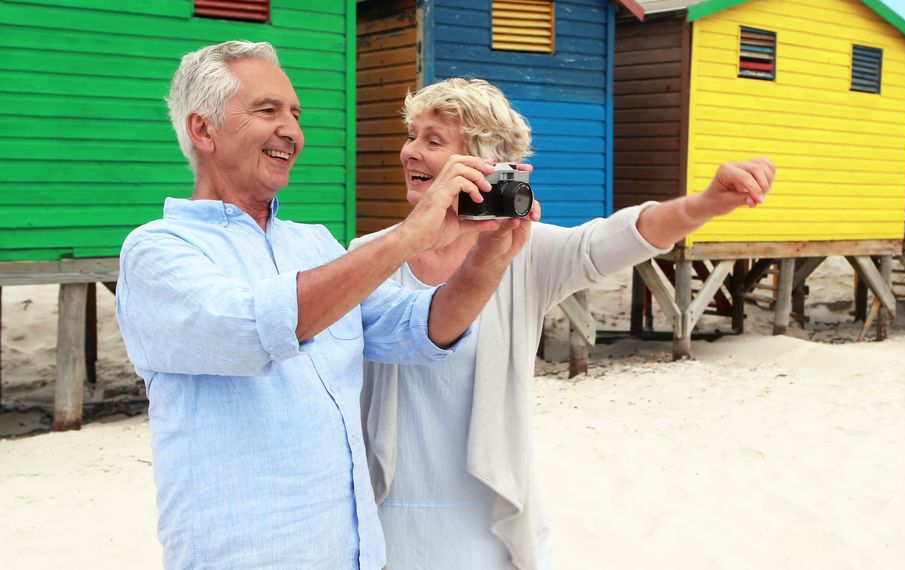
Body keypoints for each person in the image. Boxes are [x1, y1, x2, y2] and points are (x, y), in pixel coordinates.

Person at [115, 42, 534, 569]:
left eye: (295, 114)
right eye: (267, 110)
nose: (291, 130)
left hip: (354, 554)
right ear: (203, 130)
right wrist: (408, 238)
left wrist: (490, 253)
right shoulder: (158, 251)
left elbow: (419, 331)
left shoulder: (313, 244)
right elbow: (255, 328)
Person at [351, 77, 776, 569]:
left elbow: (615, 239)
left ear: (484, 165)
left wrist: (707, 202)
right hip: (389, 511)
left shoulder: (521, 250)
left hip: (491, 515)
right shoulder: (371, 256)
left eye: (433, 140)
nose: (409, 152)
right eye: (411, 135)